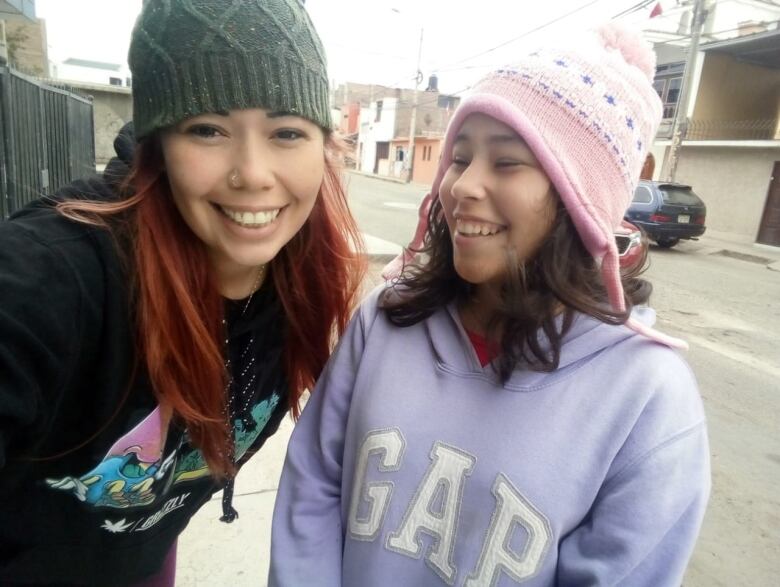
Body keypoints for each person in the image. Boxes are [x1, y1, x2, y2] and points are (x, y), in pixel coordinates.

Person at [269, 23, 710, 586]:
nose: (462, 185)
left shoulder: (647, 397)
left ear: (581, 197)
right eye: (459, 157)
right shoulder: (383, 322)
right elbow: (314, 487)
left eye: (506, 163)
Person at [0, 1, 364, 585]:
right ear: (159, 142)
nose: (253, 173)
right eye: (207, 129)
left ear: (323, 147)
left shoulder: (298, 280)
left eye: (286, 131)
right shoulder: (60, 275)